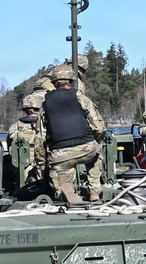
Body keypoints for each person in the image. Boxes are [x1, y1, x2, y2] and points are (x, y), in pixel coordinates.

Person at [40, 64, 105, 203]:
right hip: (86, 149)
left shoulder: (45, 104)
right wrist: (96, 141)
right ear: (72, 80)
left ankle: (65, 191)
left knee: (62, 172)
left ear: (54, 81)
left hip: (60, 155)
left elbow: (41, 138)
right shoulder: (81, 98)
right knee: (97, 155)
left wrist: (42, 162)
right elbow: (99, 128)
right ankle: (94, 191)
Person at [6, 93, 43, 185]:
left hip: (21, 173)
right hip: (42, 172)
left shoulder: (14, 128)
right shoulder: (46, 127)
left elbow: (10, 148)